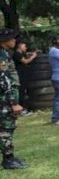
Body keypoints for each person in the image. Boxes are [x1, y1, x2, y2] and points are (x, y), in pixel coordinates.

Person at [0, 28, 26, 169]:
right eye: (12, 38)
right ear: (4, 41)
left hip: (5, 98)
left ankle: (9, 157)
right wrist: (14, 103)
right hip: (5, 99)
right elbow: (4, 80)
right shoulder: (2, 55)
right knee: (6, 128)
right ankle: (8, 159)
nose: (14, 40)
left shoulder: (5, 54)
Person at [12, 40, 38, 116]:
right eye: (24, 46)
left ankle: (24, 109)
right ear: (20, 46)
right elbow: (25, 61)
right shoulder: (17, 54)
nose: (26, 47)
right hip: (20, 76)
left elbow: (26, 54)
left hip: (24, 75)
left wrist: (32, 53)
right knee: (21, 92)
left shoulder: (20, 53)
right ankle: (22, 110)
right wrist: (33, 56)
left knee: (24, 92)